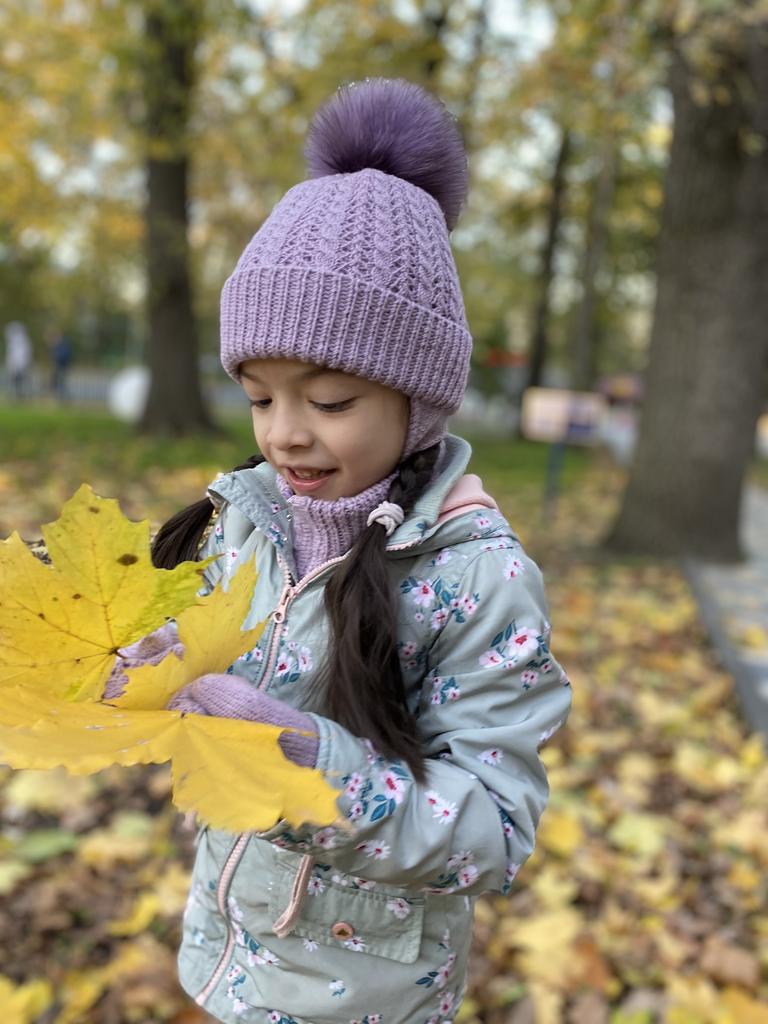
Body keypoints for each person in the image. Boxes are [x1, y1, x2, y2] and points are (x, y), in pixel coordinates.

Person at [106, 78, 572, 1024]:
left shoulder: (474, 577)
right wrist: (169, 670)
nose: (285, 435)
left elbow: (494, 829)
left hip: (369, 998)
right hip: (232, 958)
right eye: (259, 396)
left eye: (328, 402)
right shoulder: (249, 517)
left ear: (420, 399)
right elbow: (228, 668)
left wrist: (295, 759)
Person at [4, 320, 33, 398]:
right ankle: (16, 395)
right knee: (15, 381)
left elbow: (24, 354)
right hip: (15, 365)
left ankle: (21, 395)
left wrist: (22, 364)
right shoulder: (13, 342)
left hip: (20, 365)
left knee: (21, 381)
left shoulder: (22, 341)